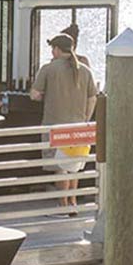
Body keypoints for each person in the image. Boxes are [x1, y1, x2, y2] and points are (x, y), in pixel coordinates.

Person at [30, 33, 98, 212]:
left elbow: (34, 94)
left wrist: (46, 94)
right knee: (74, 167)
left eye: (52, 48)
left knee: (60, 168)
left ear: (56, 49)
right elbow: (93, 98)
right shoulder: (85, 70)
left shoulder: (48, 69)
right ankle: (73, 203)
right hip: (79, 127)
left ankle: (62, 206)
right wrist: (85, 119)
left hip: (55, 125)